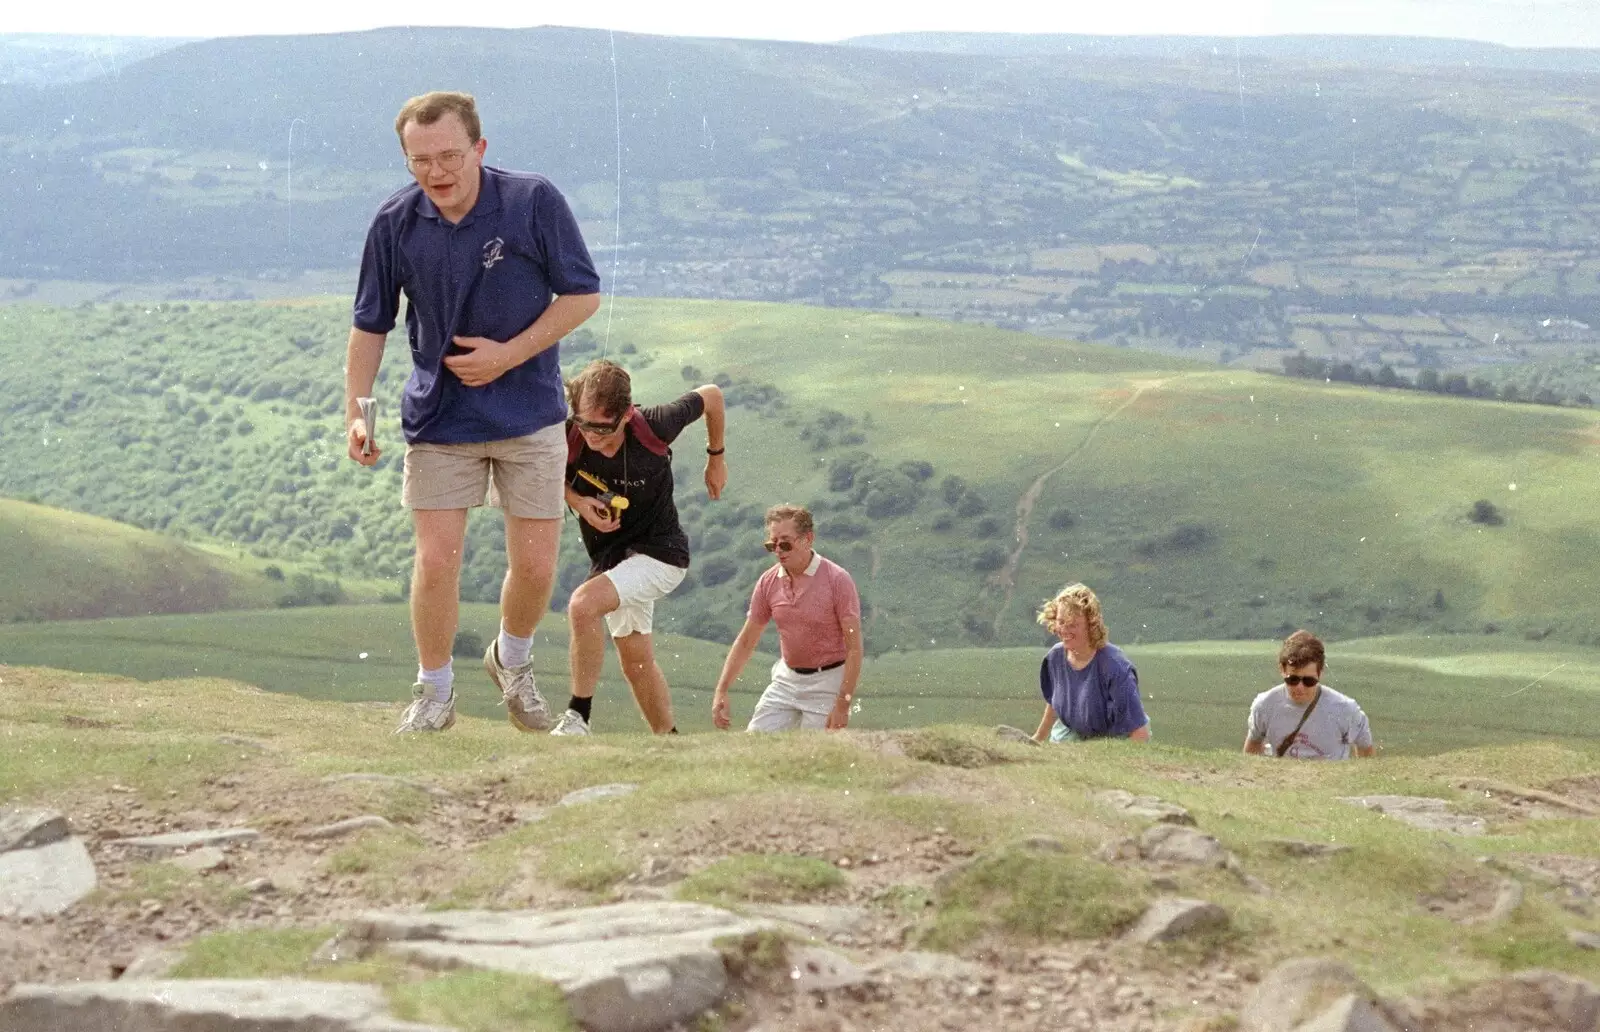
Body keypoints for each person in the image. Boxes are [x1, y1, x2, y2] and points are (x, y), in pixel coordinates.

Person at [344, 91, 601, 735]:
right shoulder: (394, 223)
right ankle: (434, 692)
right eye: (420, 160)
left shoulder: (531, 201)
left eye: (450, 155)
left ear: (480, 149)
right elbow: (369, 326)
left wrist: (507, 356)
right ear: (407, 161)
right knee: (436, 561)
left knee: (537, 565)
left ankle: (511, 659)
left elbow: (582, 295)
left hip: (531, 413)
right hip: (440, 419)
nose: (437, 171)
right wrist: (360, 414)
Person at [555, 359, 726, 735]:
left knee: (583, 606)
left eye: (602, 428)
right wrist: (579, 502)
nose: (591, 437)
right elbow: (543, 474)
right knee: (635, 661)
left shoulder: (654, 423)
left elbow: (712, 396)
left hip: (662, 554)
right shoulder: (569, 434)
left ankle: (577, 716)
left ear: (626, 414)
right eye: (584, 424)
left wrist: (716, 458)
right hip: (614, 558)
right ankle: (671, 745)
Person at [712, 505, 864, 732]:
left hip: (828, 682)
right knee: (754, 743)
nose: (778, 551)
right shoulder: (767, 582)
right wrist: (721, 690)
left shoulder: (838, 580)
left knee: (817, 753)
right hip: (786, 679)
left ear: (808, 539)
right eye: (772, 544)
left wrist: (842, 703)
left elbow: (854, 648)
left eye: (785, 543)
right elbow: (746, 641)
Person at [1031, 583, 1151, 743]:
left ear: (1091, 625)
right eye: (1061, 622)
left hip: (1115, 738)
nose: (1065, 630)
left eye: (1073, 624)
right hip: (1071, 733)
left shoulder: (1115, 666)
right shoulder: (1055, 657)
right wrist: (1037, 739)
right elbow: (1055, 701)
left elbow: (1140, 734)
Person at [1245, 630, 1375, 759]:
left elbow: (1366, 755)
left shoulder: (1345, 709)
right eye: (1293, 680)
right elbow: (1252, 751)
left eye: (1309, 681)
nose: (1300, 687)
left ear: (1321, 673)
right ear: (1282, 669)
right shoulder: (1264, 705)